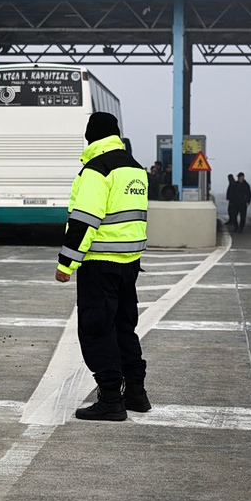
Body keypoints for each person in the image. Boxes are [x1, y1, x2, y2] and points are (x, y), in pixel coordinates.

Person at [54, 112, 149, 422]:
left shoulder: (97, 169)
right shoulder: (136, 169)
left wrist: (66, 263)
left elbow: (85, 219)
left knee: (97, 329)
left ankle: (110, 398)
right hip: (129, 263)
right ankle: (135, 392)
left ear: (90, 137)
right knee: (124, 327)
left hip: (100, 263)